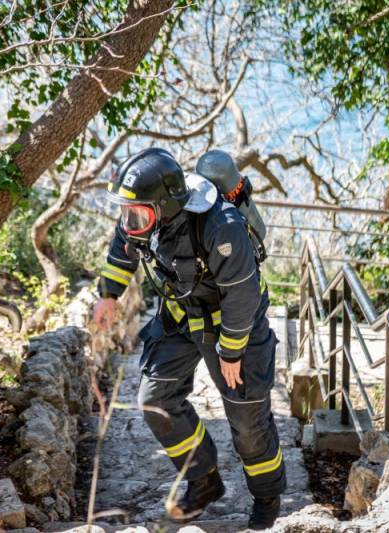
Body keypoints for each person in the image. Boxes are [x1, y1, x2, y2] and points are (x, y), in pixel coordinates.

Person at [93, 148, 285, 529]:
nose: (129, 222)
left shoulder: (221, 225)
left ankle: (267, 499)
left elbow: (243, 296)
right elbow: (123, 249)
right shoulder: (142, 217)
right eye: (126, 213)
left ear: (165, 205)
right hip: (181, 314)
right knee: (155, 401)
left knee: (247, 420)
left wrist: (231, 350)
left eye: (137, 215)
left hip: (233, 322)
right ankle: (204, 480)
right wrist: (108, 295)